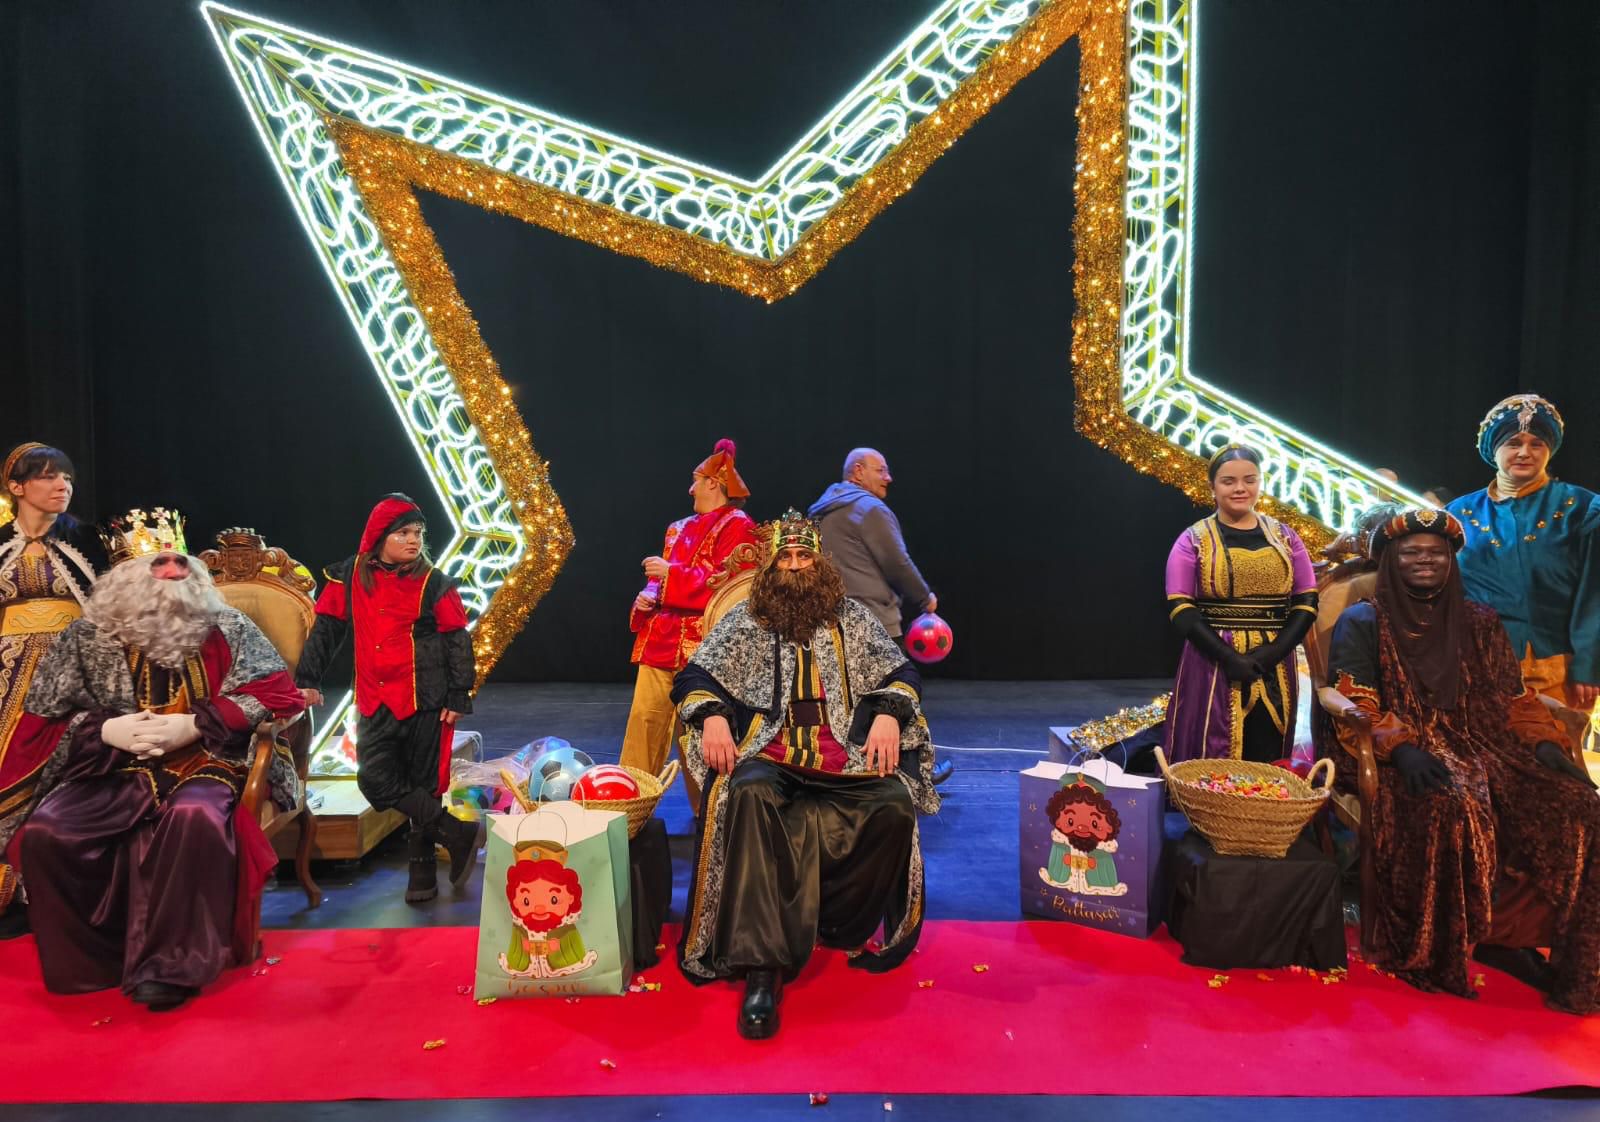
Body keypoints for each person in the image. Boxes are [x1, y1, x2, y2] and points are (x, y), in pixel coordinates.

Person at [13, 510, 304, 1011]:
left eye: (179, 563)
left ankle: (171, 968)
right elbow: (43, 718)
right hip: (111, 767)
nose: (172, 573)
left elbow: (278, 693)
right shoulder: (87, 635)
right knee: (47, 832)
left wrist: (197, 723)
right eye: (158, 565)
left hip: (208, 761)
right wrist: (103, 730)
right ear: (125, 577)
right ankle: (93, 961)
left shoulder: (227, 625)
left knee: (194, 819)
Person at [670, 508, 940, 1039]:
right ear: (772, 565)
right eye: (786, 557)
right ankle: (762, 969)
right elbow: (694, 675)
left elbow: (901, 670)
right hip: (770, 752)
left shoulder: (852, 618)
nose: (795, 566)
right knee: (749, 793)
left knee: (892, 804)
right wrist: (714, 716)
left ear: (820, 564)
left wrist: (888, 712)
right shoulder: (747, 620)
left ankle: (833, 922)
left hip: (843, 755)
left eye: (804, 557)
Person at [1322, 507, 1600, 1013]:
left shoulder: (1480, 621)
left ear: (1451, 561)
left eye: (1436, 552)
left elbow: (1512, 696)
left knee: (1579, 806)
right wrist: (1401, 748)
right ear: (1391, 561)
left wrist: (1543, 744)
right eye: (1411, 552)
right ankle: (1442, 942)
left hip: (1486, 743)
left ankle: (1515, 939)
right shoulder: (1363, 620)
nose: (1424, 560)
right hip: (1403, 751)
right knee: (1452, 805)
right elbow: (1356, 699)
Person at [295, 494, 481, 904]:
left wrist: (458, 692)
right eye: (404, 533)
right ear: (380, 536)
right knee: (374, 779)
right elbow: (327, 628)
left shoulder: (433, 582)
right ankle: (456, 832)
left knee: (424, 783)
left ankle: (422, 873)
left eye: (418, 533)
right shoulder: (349, 576)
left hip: (425, 697)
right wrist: (307, 678)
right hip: (374, 698)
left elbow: (456, 639)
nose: (414, 540)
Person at [0, 443, 108, 937]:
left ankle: (65, 890)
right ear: (17, 488)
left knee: (66, 771)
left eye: (66, 477)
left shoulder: (85, 539)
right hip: (6, 673)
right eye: (47, 477)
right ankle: (11, 893)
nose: (62, 485)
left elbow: (109, 608)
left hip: (73, 672)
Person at [621, 439, 761, 811]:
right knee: (643, 726)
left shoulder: (739, 527)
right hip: (661, 642)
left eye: (696, 480)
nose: (690, 489)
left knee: (699, 733)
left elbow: (731, 586)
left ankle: (709, 812)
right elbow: (661, 583)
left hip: (702, 649)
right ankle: (629, 809)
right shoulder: (677, 528)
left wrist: (671, 576)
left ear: (714, 482)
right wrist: (648, 594)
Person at [1163, 445, 1319, 762]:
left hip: (1276, 659)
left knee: (1269, 743)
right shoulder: (1193, 539)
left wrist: (1275, 651)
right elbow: (1181, 607)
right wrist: (1228, 656)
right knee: (1211, 741)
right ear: (1212, 486)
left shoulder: (1285, 536)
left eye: (1249, 480)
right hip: (1213, 658)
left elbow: (1306, 600)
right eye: (1228, 481)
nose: (1240, 488)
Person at [808, 447, 952, 784]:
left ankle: (861, 768)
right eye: (881, 470)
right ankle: (915, 772)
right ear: (858, 471)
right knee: (899, 694)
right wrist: (925, 597)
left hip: (831, 622)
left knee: (850, 702)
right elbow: (897, 562)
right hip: (875, 622)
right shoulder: (869, 508)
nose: (889, 477)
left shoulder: (820, 511)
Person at [1453, 394, 1598, 715]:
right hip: (1478, 665)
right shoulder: (1459, 513)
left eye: (1537, 444)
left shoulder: (1583, 508)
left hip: (1558, 666)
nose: (1524, 452)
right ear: (1494, 449)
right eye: (1513, 443)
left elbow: (1595, 593)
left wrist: (1588, 664)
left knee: (1556, 745)